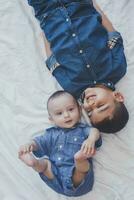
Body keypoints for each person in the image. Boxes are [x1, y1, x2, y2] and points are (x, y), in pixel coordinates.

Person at [27, 0, 129, 133]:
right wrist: (93, 5)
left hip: (49, 13)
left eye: (89, 111)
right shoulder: (117, 69)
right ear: (118, 96)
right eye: (101, 105)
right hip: (78, 6)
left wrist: (45, 27)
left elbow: (53, 62)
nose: (91, 104)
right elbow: (113, 37)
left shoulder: (72, 87)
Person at [18, 91, 102, 196]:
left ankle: (79, 159)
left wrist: (90, 140)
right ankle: (34, 163)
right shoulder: (51, 134)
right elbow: (38, 142)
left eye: (71, 109)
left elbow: (95, 132)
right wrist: (30, 145)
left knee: (81, 167)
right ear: (52, 119)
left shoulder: (82, 130)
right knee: (45, 164)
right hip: (55, 179)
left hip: (78, 181)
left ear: (79, 110)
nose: (66, 115)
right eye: (59, 113)